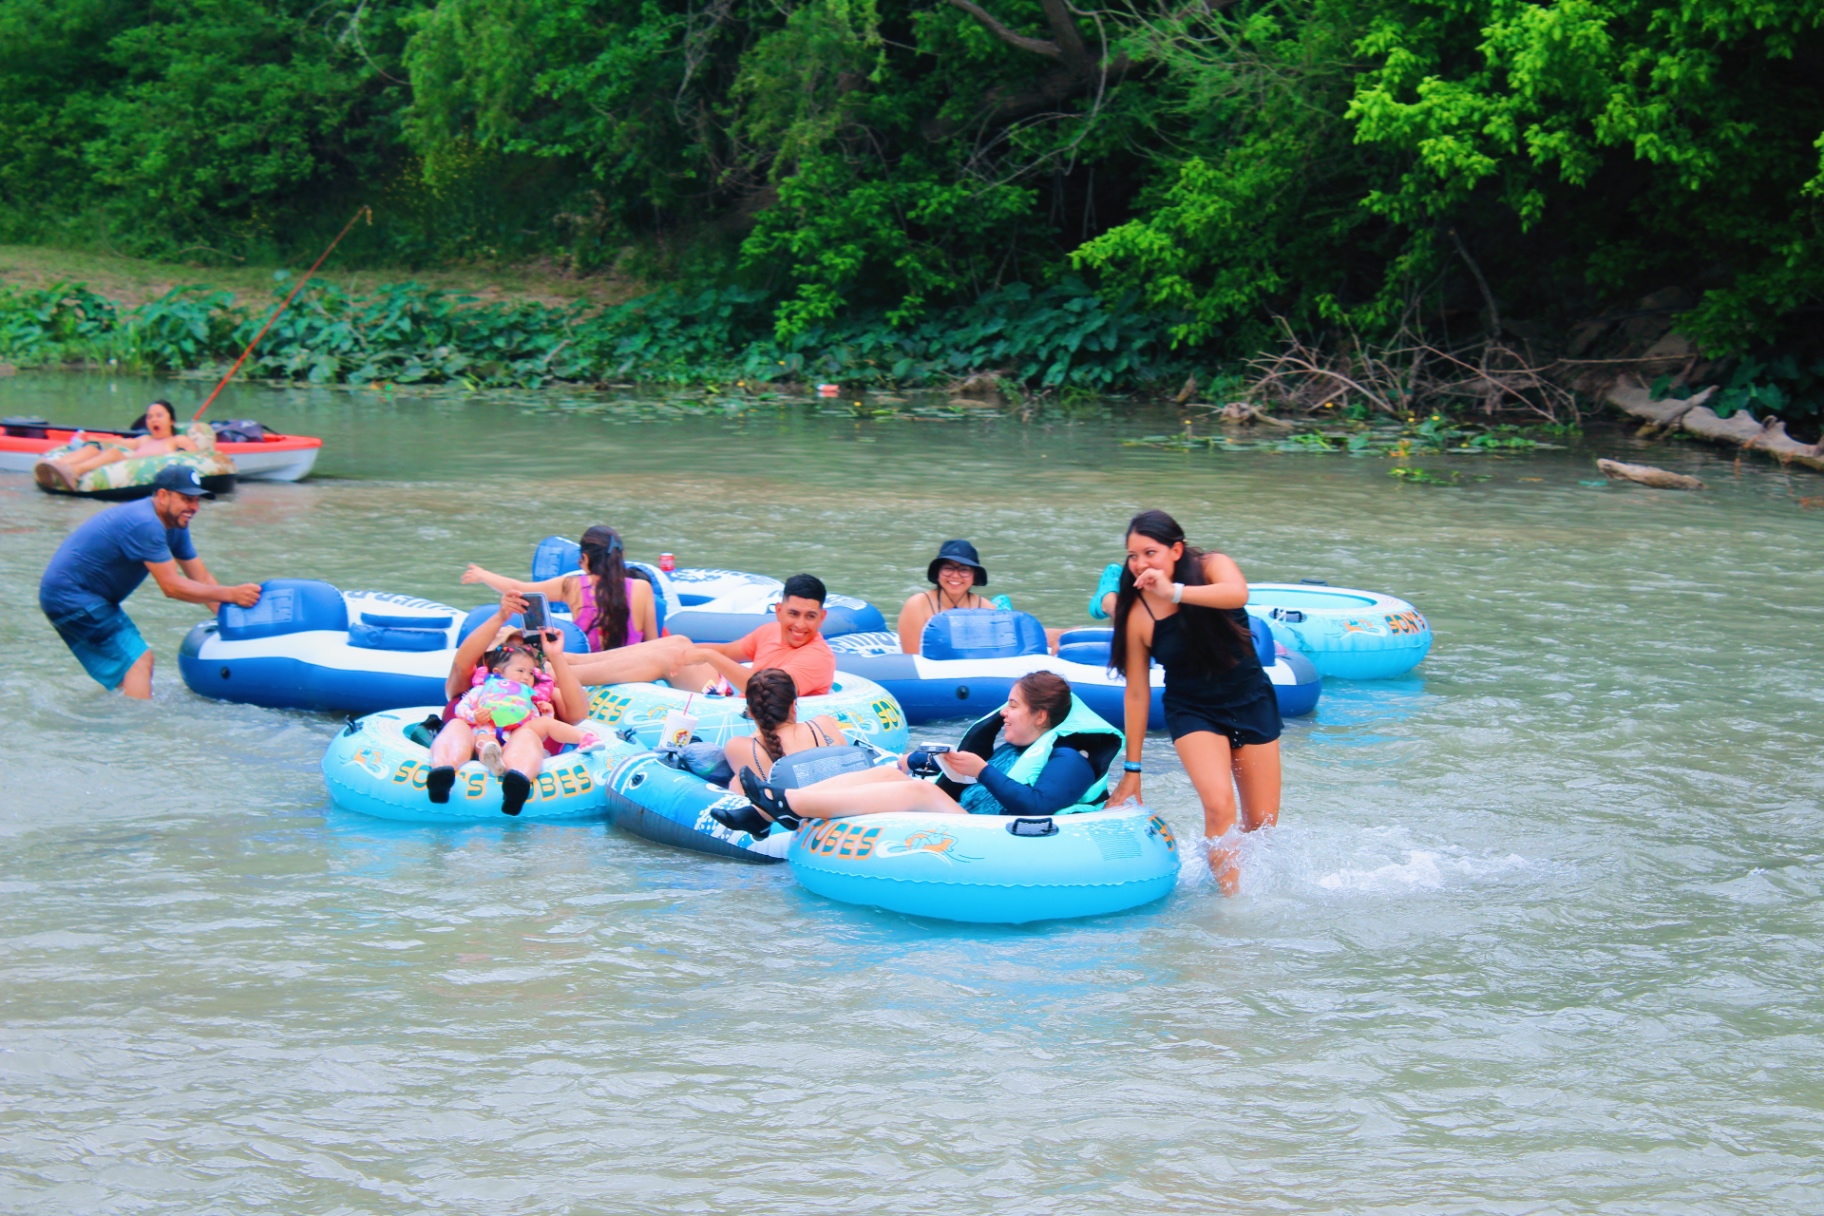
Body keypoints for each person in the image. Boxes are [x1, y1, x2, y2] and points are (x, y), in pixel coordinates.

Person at [1103, 509, 1281, 893]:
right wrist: (1133, 769)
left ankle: (1236, 877)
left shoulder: (1214, 567)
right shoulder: (1139, 613)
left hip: (1250, 697)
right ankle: (1229, 903)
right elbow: (1136, 692)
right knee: (1219, 806)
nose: (1139, 564)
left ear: (1176, 551)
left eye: (1149, 553)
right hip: (1193, 709)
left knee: (1262, 822)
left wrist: (1174, 592)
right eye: (1132, 556)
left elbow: (1239, 594)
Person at [713, 672, 1122, 836]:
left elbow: (1038, 806)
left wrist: (981, 771)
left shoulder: (1071, 756)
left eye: (1012, 705)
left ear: (1042, 715)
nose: (1003, 712)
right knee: (897, 778)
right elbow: (969, 787)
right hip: (980, 823)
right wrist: (956, 764)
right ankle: (766, 814)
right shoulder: (1022, 745)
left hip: (1002, 839)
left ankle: (789, 805)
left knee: (921, 794)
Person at [39, 464, 262, 698]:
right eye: (187, 499)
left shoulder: (174, 525)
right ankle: (138, 729)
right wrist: (232, 595)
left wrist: (232, 623)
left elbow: (202, 577)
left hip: (85, 597)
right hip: (71, 596)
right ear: (163, 496)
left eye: (197, 501)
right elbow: (172, 587)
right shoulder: (146, 523)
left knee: (132, 671)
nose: (194, 508)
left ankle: (120, 718)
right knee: (140, 661)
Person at [462, 525, 699, 687]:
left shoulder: (573, 586)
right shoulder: (642, 588)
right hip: (635, 672)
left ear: (585, 559)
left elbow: (519, 588)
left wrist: (484, 575)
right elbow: (651, 643)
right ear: (620, 556)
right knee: (677, 644)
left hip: (588, 671)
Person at [425, 590, 591, 815]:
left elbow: (579, 714)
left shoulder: (543, 696)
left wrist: (555, 656)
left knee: (527, 734)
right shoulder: (470, 687)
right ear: (490, 663)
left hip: (522, 759)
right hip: (473, 748)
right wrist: (501, 616)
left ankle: (517, 782)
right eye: (509, 653)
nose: (521, 661)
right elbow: (461, 664)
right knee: (457, 724)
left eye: (528, 655)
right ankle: (442, 772)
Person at [452, 643, 602, 778]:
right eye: (520, 670)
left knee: (544, 723)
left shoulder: (528, 696)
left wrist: (546, 713)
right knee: (483, 740)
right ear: (498, 672)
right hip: (488, 729)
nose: (526, 677)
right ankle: (492, 758)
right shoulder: (481, 690)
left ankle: (585, 738)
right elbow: (461, 708)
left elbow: (534, 721)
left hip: (520, 735)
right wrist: (473, 716)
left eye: (531, 673)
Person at [673, 573, 837, 697]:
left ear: (821, 618)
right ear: (779, 611)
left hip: (767, 728)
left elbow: (765, 691)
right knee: (676, 644)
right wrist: (682, 648)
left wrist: (708, 656)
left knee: (668, 657)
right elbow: (726, 652)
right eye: (793, 614)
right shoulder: (769, 632)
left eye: (810, 616)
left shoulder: (818, 658)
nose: (800, 625)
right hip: (740, 711)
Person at [36, 400, 198, 491]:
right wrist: (96, 438)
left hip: (142, 471)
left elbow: (196, 457)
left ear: (171, 420)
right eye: (149, 417)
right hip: (125, 465)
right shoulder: (144, 439)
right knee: (94, 448)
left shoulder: (177, 440)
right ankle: (57, 466)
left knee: (114, 453)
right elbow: (122, 442)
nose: (153, 420)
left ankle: (74, 472)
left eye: (159, 416)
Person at [723, 667, 849, 778]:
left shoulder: (740, 747)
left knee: (736, 781)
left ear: (750, 711)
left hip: (788, 803)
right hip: (839, 800)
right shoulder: (824, 725)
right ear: (793, 706)